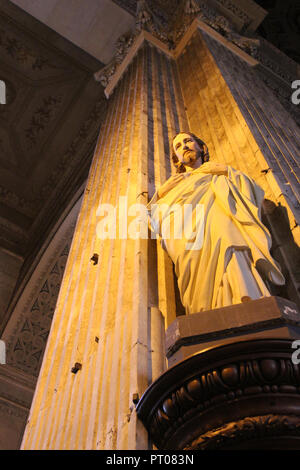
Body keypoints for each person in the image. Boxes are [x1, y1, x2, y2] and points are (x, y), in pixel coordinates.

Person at [148, 132, 285, 314]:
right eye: (178, 146)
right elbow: (151, 221)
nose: (185, 146)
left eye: (188, 141)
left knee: (229, 240)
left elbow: (253, 194)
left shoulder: (216, 172)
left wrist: (227, 171)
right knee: (198, 277)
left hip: (221, 226)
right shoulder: (173, 185)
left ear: (200, 146)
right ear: (177, 159)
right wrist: (159, 194)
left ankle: (245, 297)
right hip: (190, 245)